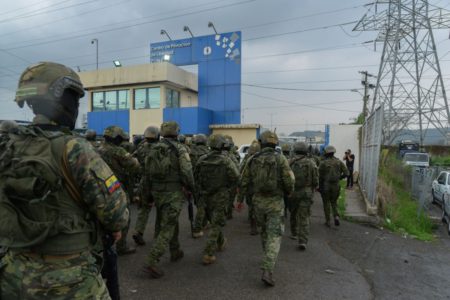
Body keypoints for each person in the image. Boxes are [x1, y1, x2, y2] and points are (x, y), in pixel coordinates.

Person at [0, 61, 129, 299]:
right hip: (68, 278)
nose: (76, 106)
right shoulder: (75, 148)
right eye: (75, 100)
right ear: (61, 98)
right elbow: (117, 214)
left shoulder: (7, 147)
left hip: (11, 274)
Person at [240, 130, 295, 287]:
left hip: (258, 202)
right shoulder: (280, 159)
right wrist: (289, 192)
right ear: (275, 143)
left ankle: (267, 258)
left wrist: (239, 200)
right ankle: (268, 269)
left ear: (261, 142)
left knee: (264, 233)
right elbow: (288, 180)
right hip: (275, 202)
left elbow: (244, 181)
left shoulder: (252, 159)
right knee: (275, 235)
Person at [142, 121, 194, 278]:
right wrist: (191, 187)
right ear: (177, 132)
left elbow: (146, 174)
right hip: (173, 193)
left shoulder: (153, 148)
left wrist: (147, 194)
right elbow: (187, 171)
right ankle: (152, 260)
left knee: (165, 221)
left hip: (157, 192)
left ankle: (175, 250)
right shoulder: (180, 148)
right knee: (168, 226)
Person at [194, 134, 239, 264]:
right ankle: (208, 253)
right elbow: (236, 177)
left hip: (205, 196)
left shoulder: (202, 160)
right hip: (220, 196)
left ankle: (221, 242)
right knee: (216, 223)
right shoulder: (226, 160)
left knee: (214, 221)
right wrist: (228, 188)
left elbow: (195, 177)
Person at [98, 125, 140, 255]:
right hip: (116, 187)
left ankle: (101, 246)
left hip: (99, 187)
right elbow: (135, 166)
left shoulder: (97, 149)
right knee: (124, 215)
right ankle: (121, 246)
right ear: (116, 138)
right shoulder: (118, 151)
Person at [132, 126, 160, 246]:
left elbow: (134, 159)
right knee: (161, 210)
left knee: (144, 209)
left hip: (144, 181)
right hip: (158, 182)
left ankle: (138, 231)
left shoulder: (141, 147)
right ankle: (159, 235)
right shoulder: (160, 148)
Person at [289, 142, 318, 250]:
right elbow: (315, 180)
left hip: (293, 192)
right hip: (306, 192)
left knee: (293, 213)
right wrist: (313, 188)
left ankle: (294, 233)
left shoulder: (290, 162)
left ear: (295, 150)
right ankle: (303, 241)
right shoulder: (311, 163)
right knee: (304, 217)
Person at [319, 145, 349, 227]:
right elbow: (347, 173)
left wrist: (319, 186)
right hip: (336, 185)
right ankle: (336, 216)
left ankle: (328, 221)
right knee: (334, 202)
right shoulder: (339, 162)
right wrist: (339, 177)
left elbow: (319, 176)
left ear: (326, 153)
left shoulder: (323, 163)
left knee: (326, 203)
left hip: (326, 185)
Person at [237, 140, 261, 235]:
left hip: (250, 187)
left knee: (251, 205)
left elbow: (241, 172)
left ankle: (253, 224)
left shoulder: (247, 159)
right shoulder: (263, 159)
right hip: (260, 187)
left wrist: (240, 197)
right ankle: (258, 222)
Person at [190, 134, 211, 238]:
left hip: (194, 181)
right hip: (206, 182)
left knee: (199, 203)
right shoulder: (208, 152)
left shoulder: (190, 152)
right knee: (204, 205)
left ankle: (203, 223)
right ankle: (198, 227)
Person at [223, 135, 240, 219]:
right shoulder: (232, 156)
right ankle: (228, 213)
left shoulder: (217, 155)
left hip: (221, 181)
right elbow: (237, 169)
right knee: (230, 198)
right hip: (231, 181)